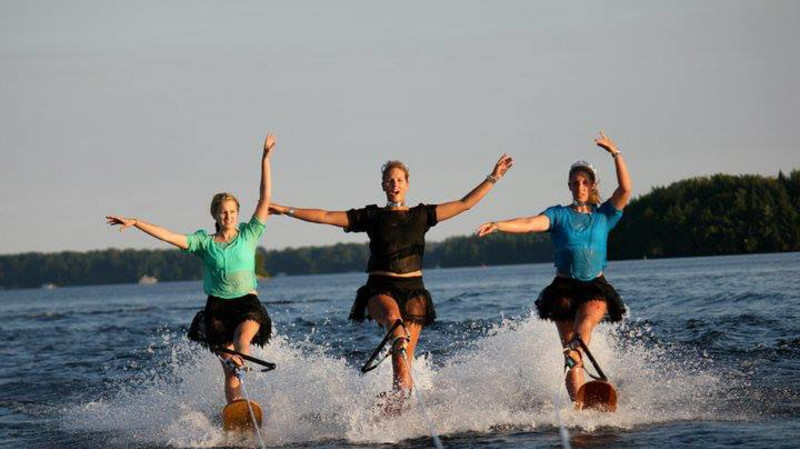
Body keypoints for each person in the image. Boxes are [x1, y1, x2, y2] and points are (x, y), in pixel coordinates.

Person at [269, 154, 513, 401]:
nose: (394, 184)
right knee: (397, 330)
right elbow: (326, 216)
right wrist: (286, 210)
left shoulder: (422, 215)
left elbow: (464, 204)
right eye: (389, 180)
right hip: (380, 289)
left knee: (403, 357)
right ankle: (398, 392)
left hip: (415, 291)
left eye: (399, 180)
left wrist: (493, 177)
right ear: (383, 185)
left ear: (407, 184)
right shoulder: (371, 216)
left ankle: (399, 409)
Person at [106, 133, 277, 404]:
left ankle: (241, 360)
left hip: (247, 303)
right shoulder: (202, 242)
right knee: (229, 370)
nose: (228, 217)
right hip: (218, 308)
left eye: (232, 212)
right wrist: (137, 222)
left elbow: (264, 197)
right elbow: (167, 235)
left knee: (242, 343)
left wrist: (265, 159)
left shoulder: (249, 234)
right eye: (223, 212)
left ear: (238, 213)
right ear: (215, 215)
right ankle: (235, 409)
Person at [476, 132, 631, 401]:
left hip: (595, 284)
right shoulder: (558, 215)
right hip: (563, 287)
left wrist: (615, 153)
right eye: (574, 183)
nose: (579, 187)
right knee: (568, 347)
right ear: (569, 186)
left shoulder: (604, 215)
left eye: (584, 182)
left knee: (585, 322)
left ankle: (576, 352)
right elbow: (528, 223)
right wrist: (499, 224)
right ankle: (577, 403)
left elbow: (626, 189)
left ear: (592, 185)